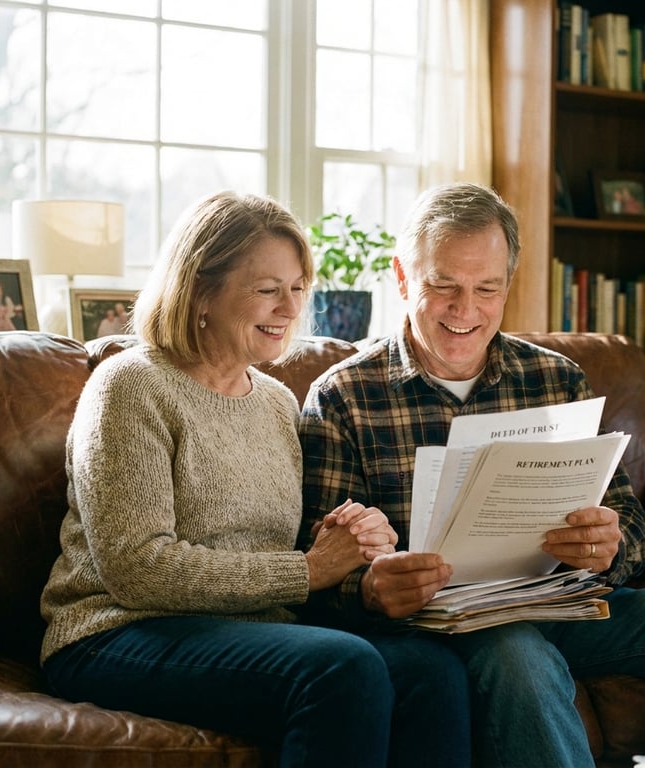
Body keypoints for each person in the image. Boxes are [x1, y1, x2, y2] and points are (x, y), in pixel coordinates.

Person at [298, 182, 645, 766]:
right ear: (402, 277)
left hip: (561, 603)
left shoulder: (555, 380)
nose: (465, 309)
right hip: (451, 626)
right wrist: (371, 589)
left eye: (487, 288)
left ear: (508, 285)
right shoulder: (343, 396)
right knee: (516, 653)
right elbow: (313, 567)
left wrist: (606, 545)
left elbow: (630, 526)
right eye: (442, 285)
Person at [39, 190, 470, 768]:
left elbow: (284, 544)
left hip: (249, 631)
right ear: (200, 292)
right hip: (117, 631)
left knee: (431, 669)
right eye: (267, 290)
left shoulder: (273, 402)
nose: (290, 309)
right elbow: (137, 568)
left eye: (296, 289)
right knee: (342, 667)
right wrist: (310, 569)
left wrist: (354, 536)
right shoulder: (130, 387)